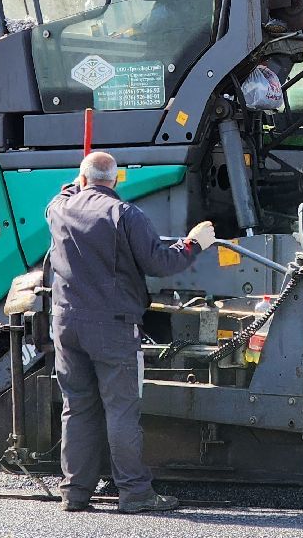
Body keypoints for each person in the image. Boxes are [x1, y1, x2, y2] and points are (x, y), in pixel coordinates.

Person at [45, 150, 217, 512]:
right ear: (116, 180)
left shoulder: (58, 209)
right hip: (112, 326)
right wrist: (194, 243)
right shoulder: (125, 214)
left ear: (82, 179)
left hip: (66, 324)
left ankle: (74, 493)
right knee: (121, 409)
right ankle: (135, 493)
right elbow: (160, 262)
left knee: (76, 407)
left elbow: (63, 193)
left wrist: (76, 185)